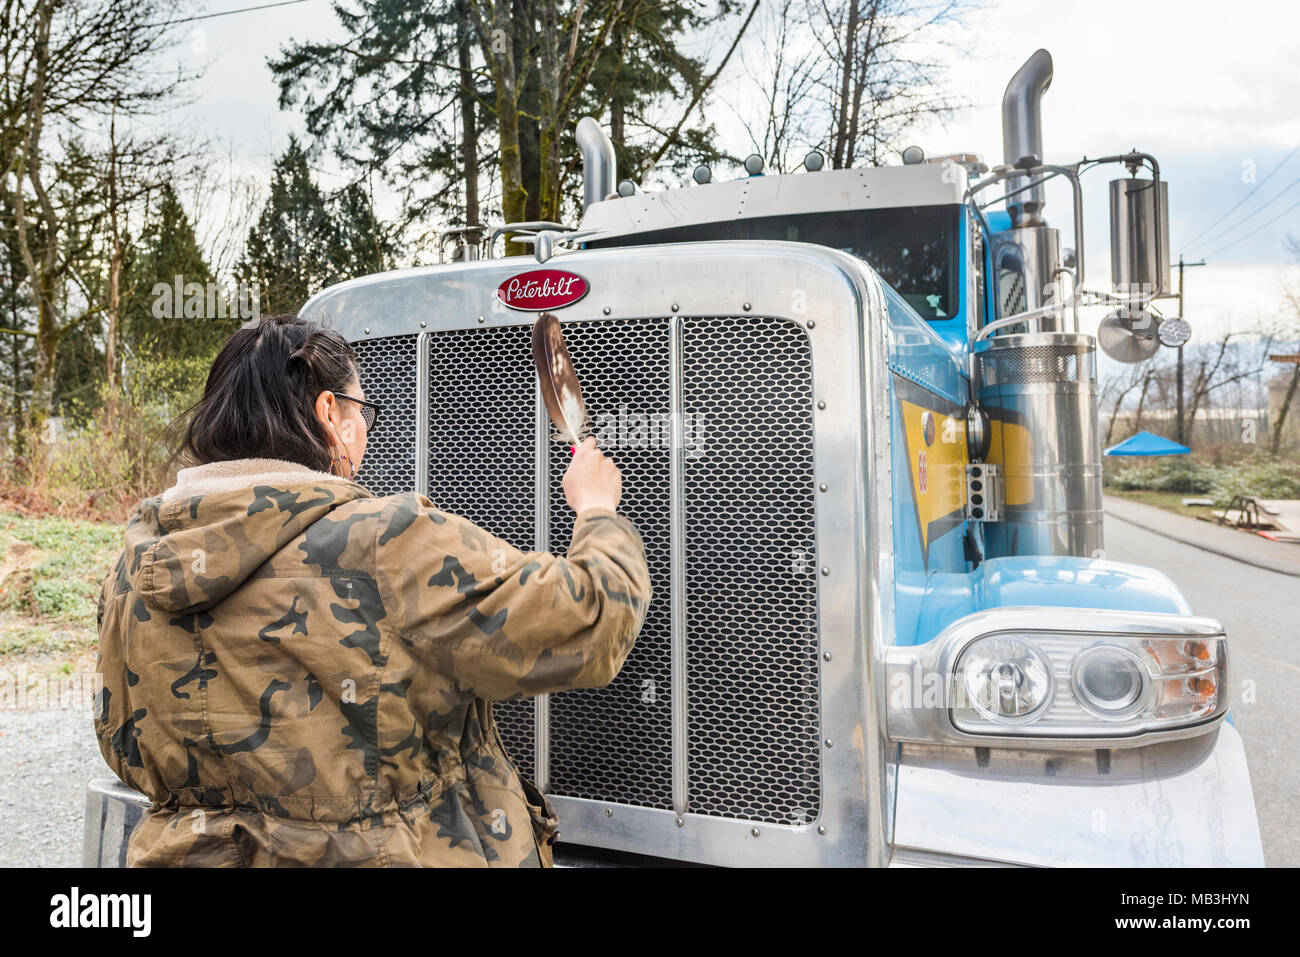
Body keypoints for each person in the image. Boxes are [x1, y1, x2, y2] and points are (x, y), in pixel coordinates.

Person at [93, 313, 651, 867]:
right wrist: (597, 509)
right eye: (365, 414)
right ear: (330, 413)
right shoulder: (388, 540)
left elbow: (122, 746)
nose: (366, 434)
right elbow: (589, 617)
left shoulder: (130, 571)